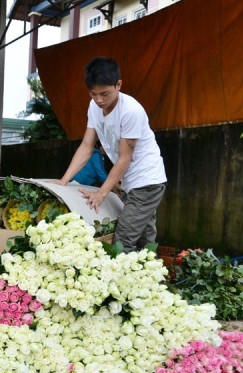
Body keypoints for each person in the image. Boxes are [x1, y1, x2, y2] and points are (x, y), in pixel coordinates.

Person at [55, 57, 167, 253]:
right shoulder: (94, 107)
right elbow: (87, 146)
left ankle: (127, 280)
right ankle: (150, 279)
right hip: (131, 181)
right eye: (93, 94)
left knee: (122, 241)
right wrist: (64, 180)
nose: (99, 100)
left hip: (147, 181)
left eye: (104, 94)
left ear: (119, 84)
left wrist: (102, 193)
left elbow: (125, 158)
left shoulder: (131, 111)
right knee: (145, 241)